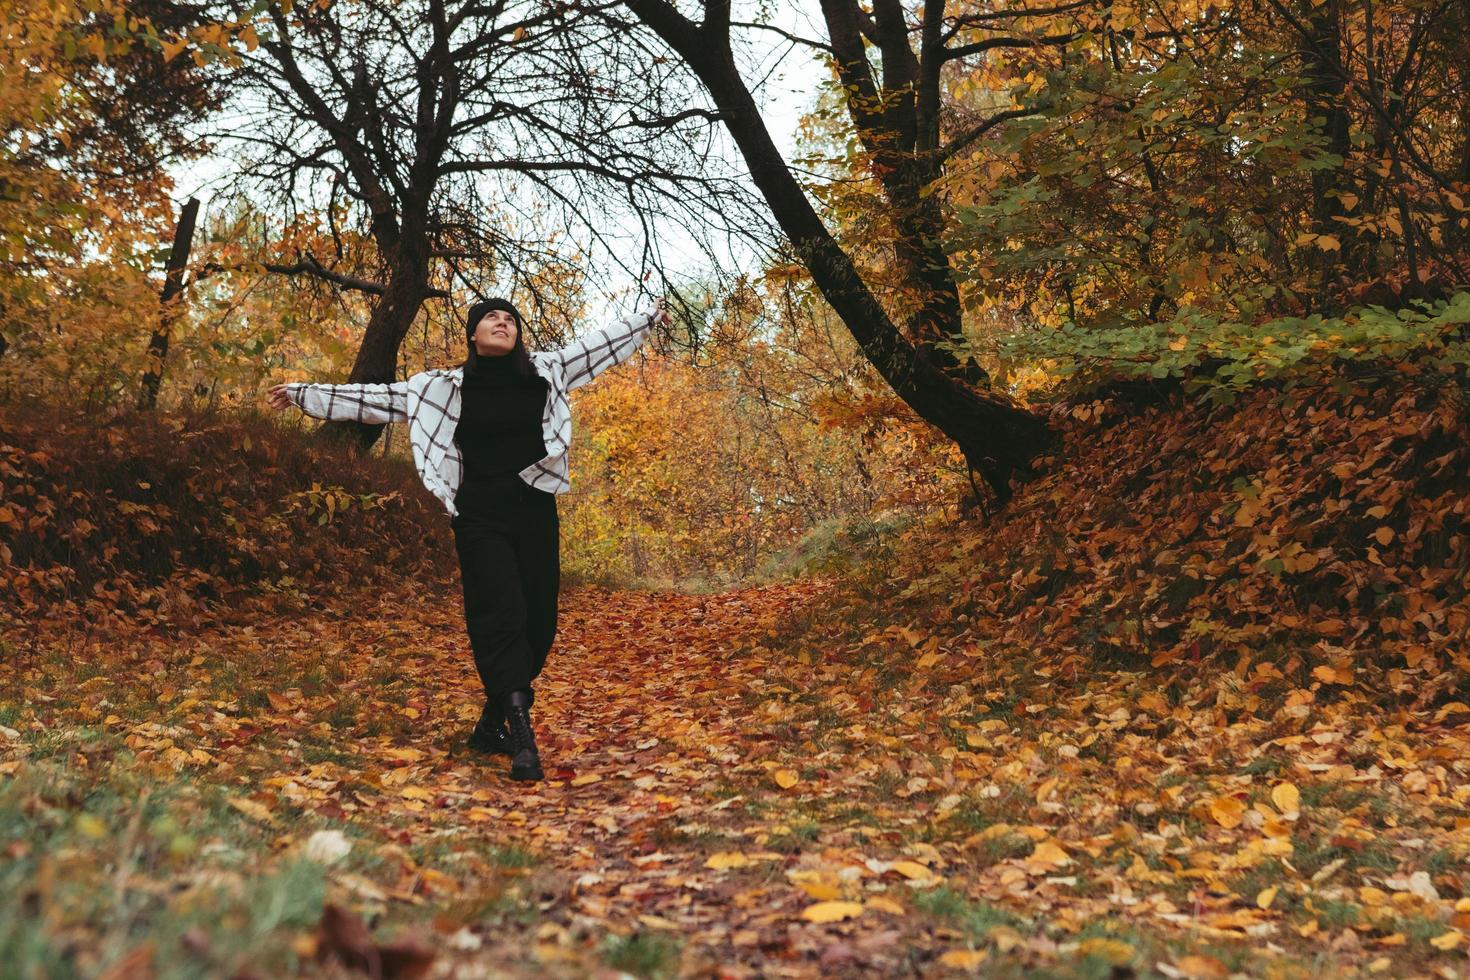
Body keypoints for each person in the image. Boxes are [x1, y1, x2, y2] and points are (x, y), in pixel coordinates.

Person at [266, 292, 669, 781]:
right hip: (479, 515)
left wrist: (647, 316)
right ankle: (523, 737)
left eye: (509, 319)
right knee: (502, 613)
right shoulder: (441, 387)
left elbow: (602, 344)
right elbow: (376, 399)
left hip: (535, 510)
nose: (502, 323)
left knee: (539, 624)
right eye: (491, 318)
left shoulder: (548, 370)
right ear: (473, 335)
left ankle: (489, 725)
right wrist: (303, 393)